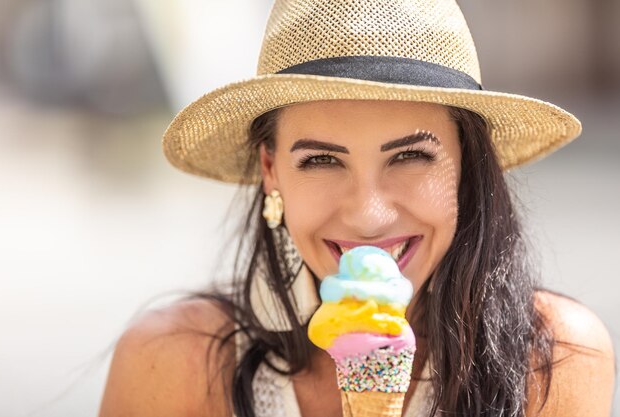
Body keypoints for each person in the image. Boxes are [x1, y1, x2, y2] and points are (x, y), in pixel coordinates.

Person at [98, 0, 615, 416]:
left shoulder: (553, 362)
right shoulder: (167, 362)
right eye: (321, 160)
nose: (369, 215)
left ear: (467, 165)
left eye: (410, 156)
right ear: (271, 170)